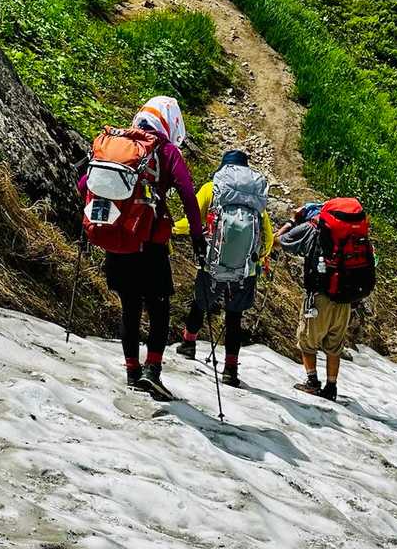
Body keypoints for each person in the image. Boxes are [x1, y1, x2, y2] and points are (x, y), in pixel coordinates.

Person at [79, 96, 206, 401]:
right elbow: (188, 194)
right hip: (150, 243)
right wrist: (197, 237)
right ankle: (152, 369)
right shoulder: (166, 150)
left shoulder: (119, 146)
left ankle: (132, 371)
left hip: (118, 237)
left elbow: (84, 184)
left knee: (130, 308)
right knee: (159, 307)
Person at [173, 150, 274, 388]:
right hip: (246, 269)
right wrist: (257, 259)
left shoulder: (212, 188)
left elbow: (191, 221)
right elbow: (267, 237)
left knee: (200, 303)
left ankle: (189, 343)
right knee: (234, 317)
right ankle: (230, 369)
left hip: (213, 263)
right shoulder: (255, 196)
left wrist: (172, 228)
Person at [277, 198, 375, 401]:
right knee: (334, 345)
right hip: (346, 299)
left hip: (319, 297)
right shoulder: (354, 233)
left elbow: (279, 240)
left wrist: (292, 221)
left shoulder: (313, 228)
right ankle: (331, 387)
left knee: (307, 341)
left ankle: (312, 382)